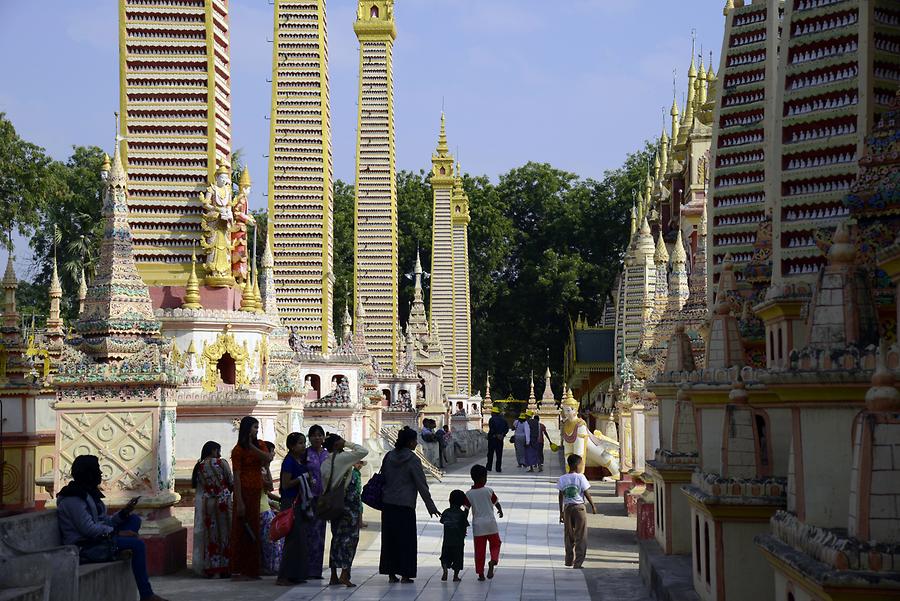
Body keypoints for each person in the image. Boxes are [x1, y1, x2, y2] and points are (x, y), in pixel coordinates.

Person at [57, 455, 168, 601]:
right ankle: (146, 594)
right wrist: (117, 532)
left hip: (99, 539)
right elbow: (89, 530)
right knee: (138, 545)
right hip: (85, 547)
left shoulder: (89, 494)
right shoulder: (73, 499)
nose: (101, 474)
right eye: (97, 470)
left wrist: (123, 513)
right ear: (88, 473)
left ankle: (118, 549)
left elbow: (104, 522)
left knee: (133, 520)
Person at [379, 426, 441, 583]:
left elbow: (382, 476)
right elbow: (421, 484)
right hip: (405, 506)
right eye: (414, 440)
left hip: (388, 503)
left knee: (390, 540)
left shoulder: (388, 456)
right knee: (406, 541)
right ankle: (406, 574)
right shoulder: (413, 459)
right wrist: (431, 506)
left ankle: (391, 573)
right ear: (409, 441)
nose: (416, 443)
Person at [321, 433, 369, 587]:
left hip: (334, 504)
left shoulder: (325, 461)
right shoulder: (342, 458)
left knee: (337, 539)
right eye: (340, 440)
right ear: (336, 444)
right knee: (350, 539)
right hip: (348, 504)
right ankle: (344, 574)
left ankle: (333, 575)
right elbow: (362, 451)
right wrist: (347, 443)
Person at [229, 416, 273, 580]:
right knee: (241, 530)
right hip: (244, 492)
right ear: (247, 429)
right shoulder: (238, 450)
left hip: (257, 491)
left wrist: (252, 447)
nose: (256, 430)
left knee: (254, 530)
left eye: (257, 427)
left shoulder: (260, 444)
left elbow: (268, 459)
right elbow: (237, 476)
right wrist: (239, 501)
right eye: (254, 427)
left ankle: (253, 569)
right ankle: (239, 569)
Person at [191, 441, 232, 578]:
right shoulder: (221, 463)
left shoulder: (200, 466)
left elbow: (199, 485)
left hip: (208, 502)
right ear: (214, 450)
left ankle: (212, 568)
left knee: (211, 535)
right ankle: (225, 567)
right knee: (226, 533)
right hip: (223, 502)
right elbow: (230, 481)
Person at [277, 432, 313, 586]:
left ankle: (296, 574)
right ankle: (284, 575)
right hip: (291, 502)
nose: (303, 446)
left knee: (300, 539)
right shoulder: (289, 462)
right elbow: (285, 484)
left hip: (301, 502)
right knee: (292, 540)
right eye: (299, 443)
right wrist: (301, 479)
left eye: (304, 443)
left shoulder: (300, 460)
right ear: (291, 446)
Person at [464, 464, 504, 581]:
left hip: (478, 526)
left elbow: (466, 510)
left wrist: (464, 523)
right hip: (491, 524)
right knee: (496, 544)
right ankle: (493, 560)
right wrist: (500, 510)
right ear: (484, 478)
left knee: (480, 551)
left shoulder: (469, 494)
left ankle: (481, 573)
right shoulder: (489, 491)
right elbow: (496, 503)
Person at [557, 454, 597, 569]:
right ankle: (578, 563)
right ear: (576, 465)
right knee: (581, 536)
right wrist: (593, 505)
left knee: (568, 536)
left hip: (568, 508)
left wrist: (561, 512)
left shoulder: (562, 478)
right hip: (579, 508)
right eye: (581, 464)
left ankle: (569, 561)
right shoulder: (581, 477)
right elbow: (586, 492)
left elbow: (560, 495)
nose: (581, 466)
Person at [304, 424, 329, 579]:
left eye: (320, 435)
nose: (317, 438)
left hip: (323, 499)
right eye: (314, 435)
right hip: (309, 498)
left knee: (320, 534)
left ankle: (316, 570)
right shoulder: (305, 454)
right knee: (308, 533)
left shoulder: (328, 455)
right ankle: (305, 568)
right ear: (310, 437)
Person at [259, 441, 283, 575]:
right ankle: (271, 567)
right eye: (272, 451)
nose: (274, 454)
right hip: (262, 510)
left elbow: (266, 491)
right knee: (271, 540)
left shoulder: (261, 469)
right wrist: (267, 466)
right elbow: (269, 486)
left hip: (264, 507)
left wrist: (277, 500)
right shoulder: (261, 469)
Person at [440, 490, 469, 582]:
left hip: (447, 541)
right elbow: (464, 525)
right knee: (458, 559)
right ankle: (455, 576)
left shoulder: (446, 512)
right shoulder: (462, 514)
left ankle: (445, 570)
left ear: (449, 500)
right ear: (462, 503)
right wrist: (467, 508)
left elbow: (442, 521)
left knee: (444, 557)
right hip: (458, 542)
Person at [486, 406, 509, 472]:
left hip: (493, 438)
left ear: (494, 413)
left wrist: (495, 434)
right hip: (500, 439)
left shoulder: (491, 419)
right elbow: (506, 429)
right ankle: (498, 468)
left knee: (490, 453)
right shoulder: (504, 420)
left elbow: (492, 429)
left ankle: (489, 467)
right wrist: (502, 434)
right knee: (499, 454)